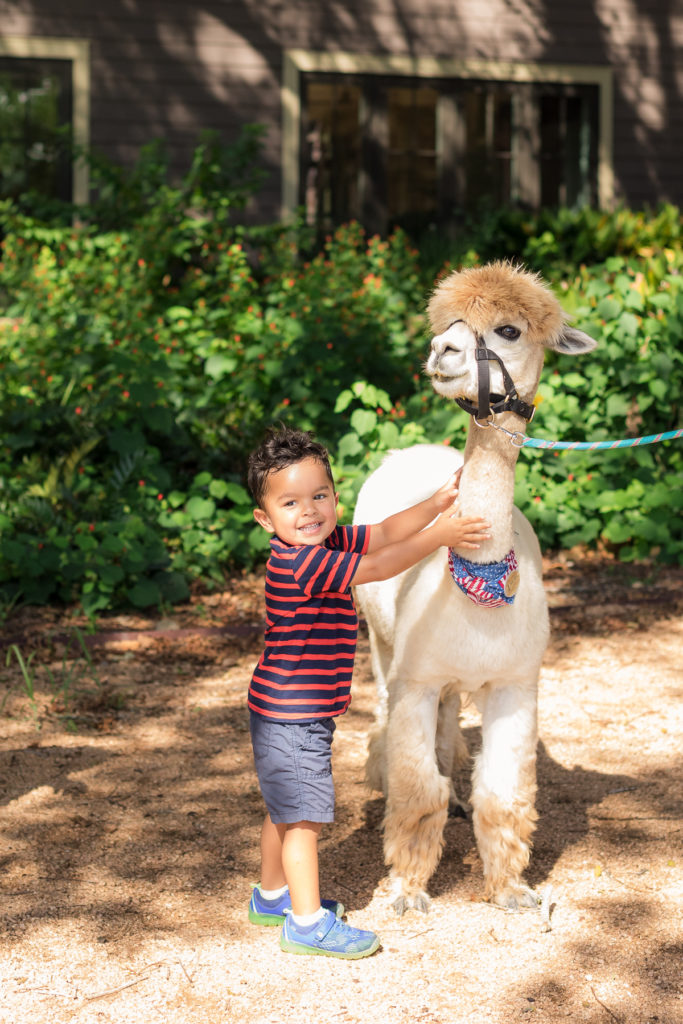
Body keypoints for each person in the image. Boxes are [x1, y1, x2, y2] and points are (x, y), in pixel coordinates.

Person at [245, 425, 490, 959]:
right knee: (304, 815)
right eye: (291, 503)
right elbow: (378, 566)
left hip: (286, 708)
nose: (309, 511)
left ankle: (270, 897)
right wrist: (441, 535)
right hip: (292, 714)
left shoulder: (325, 541)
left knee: (282, 807)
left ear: (334, 496)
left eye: (319, 496)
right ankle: (306, 925)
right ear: (266, 519)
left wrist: (435, 503)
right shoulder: (302, 563)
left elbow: (381, 534)